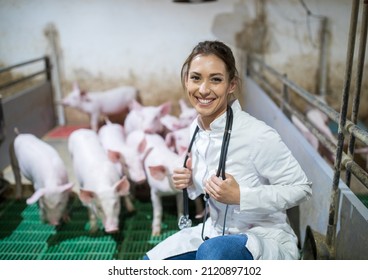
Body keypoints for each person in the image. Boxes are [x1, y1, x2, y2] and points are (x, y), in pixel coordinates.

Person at [143, 40, 312, 260]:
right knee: (148, 263)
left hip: (261, 237)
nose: (203, 89)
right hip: (212, 231)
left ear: (231, 84)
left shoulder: (257, 134)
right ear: (186, 81)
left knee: (213, 254)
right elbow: (209, 184)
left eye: (215, 79)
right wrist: (189, 181)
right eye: (196, 78)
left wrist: (241, 196)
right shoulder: (195, 128)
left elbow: (301, 188)